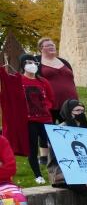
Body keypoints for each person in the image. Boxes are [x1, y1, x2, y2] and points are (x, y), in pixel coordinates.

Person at [18, 53, 55, 185]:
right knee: (32, 148)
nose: (32, 65)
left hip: (45, 119)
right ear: (23, 65)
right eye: (28, 62)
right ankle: (38, 175)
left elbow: (51, 98)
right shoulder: (18, 81)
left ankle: (57, 172)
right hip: (29, 121)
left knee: (54, 145)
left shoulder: (43, 82)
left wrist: (45, 107)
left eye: (34, 62)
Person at [34, 37, 78, 124]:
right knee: (50, 131)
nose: (52, 47)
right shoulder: (36, 62)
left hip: (70, 102)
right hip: (50, 104)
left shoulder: (64, 62)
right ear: (41, 48)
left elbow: (71, 81)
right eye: (48, 45)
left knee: (71, 128)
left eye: (52, 45)